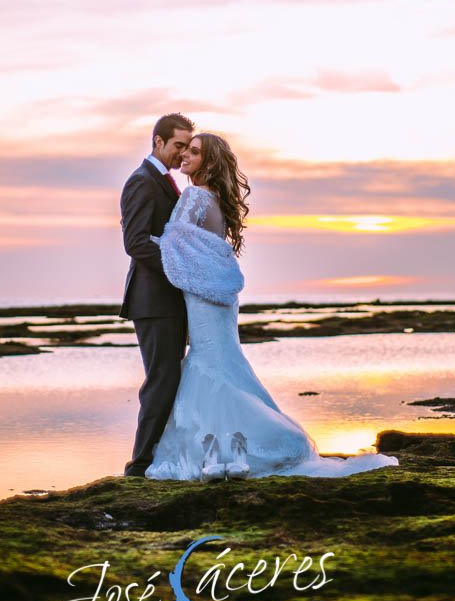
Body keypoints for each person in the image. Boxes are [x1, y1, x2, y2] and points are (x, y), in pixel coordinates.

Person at [142, 132, 400, 481]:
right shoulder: (217, 199)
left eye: (195, 151)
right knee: (225, 362)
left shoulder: (193, 196)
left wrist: (155, 244)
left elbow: (175, 245)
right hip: (222, 300)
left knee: (209, 365)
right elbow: (206, 248)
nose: (186, 155)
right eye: (185, 149)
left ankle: (220, 453)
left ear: (211, 162)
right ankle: (230, 450)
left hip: (203, 297)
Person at [119, 113, 195, 477]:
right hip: (153, 301)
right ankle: (141, 464)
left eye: (187, 147)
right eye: (178, 146)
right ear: (158, 142)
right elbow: (135, 243)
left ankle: (156, 457)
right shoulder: (141, 181)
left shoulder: (162, 181)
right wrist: (180, 268)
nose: (182, 154)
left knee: (169, 378)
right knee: (161, 380)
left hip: (169, 300)